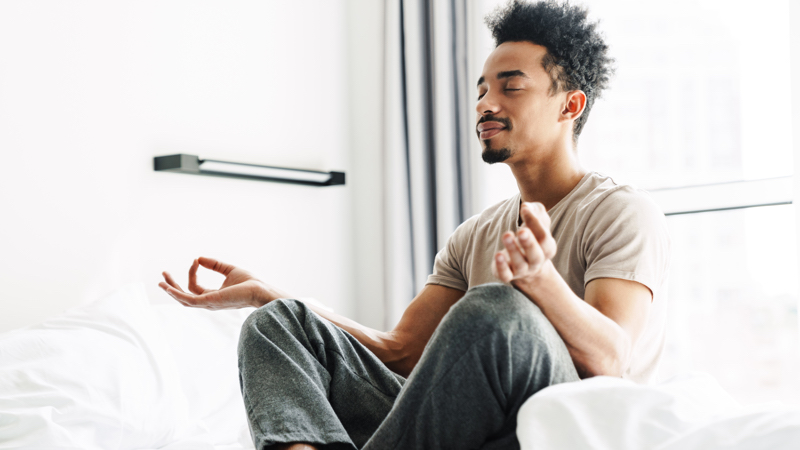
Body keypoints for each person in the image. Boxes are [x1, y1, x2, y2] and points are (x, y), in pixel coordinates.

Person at [159, 1, 670, 449]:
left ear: (570, 105)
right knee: (277, 324)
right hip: (462, 424)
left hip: (555, 430)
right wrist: (266, 295)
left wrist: (540, 282)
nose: (486, 105)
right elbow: (400, 352)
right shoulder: (473, 235)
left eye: (511, 87)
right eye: (481, 91)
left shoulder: (620, 212)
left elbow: (610, 362)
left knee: (499, 310)